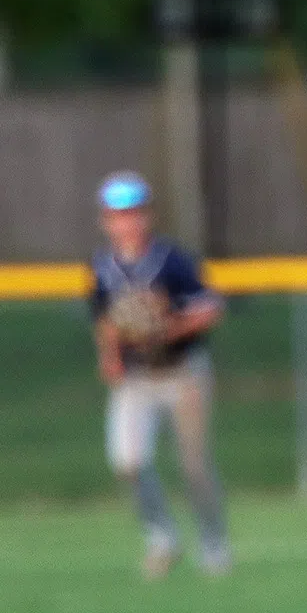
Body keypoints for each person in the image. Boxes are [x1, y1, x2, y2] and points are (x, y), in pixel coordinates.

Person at [87, 172, 230, 579]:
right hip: (136, 379)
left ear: (146, 216)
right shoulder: (101, 267)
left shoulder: (172, 260)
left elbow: (211, 307)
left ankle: (214, 545)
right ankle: (162, 537)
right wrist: (109, 356)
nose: (125, 223)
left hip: (183, 373)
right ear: (106, 221)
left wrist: (170, 327)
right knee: (127, 461)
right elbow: (105, 319)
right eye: (117, 216)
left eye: (132, 214)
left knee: (194, 465)